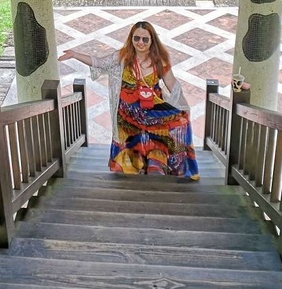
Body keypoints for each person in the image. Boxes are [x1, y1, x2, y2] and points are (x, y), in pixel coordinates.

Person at [60, 21, 199, 180]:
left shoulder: (160, 60)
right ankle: (135, 166)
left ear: (152, 40)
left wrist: (184, 105)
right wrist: (75, 55)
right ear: (131, 39)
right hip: (126, 111)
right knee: (134, 131)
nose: (140, 42)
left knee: (179, 121)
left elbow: (173, 85)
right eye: (136, 38)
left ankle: (156, 163)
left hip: (152, 108)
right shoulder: (122, 57)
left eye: (145, 39)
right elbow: (99, 62)